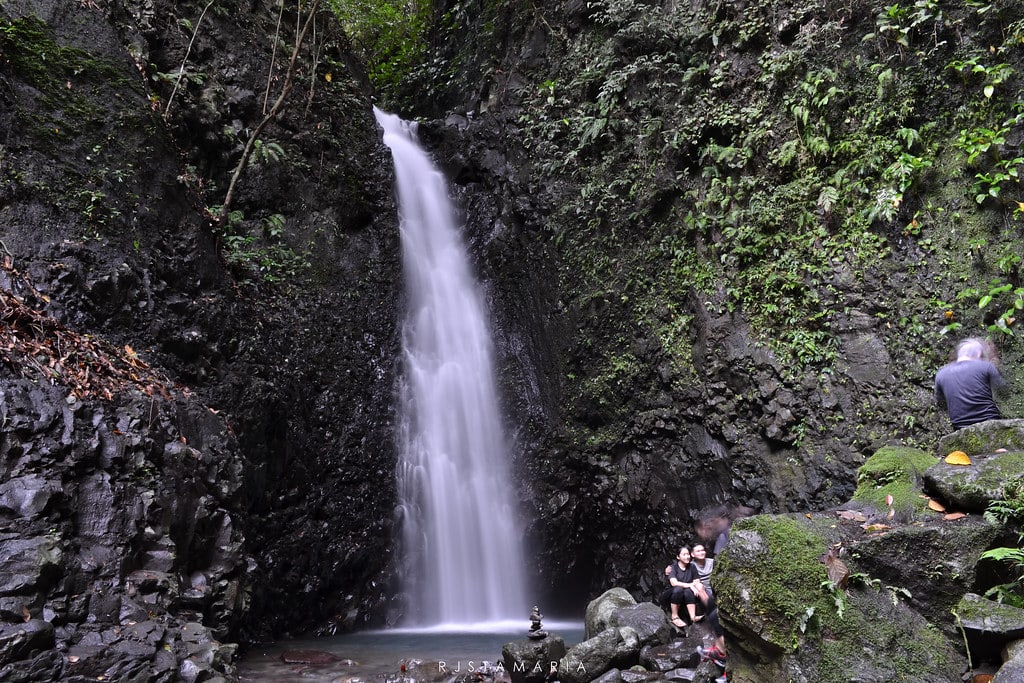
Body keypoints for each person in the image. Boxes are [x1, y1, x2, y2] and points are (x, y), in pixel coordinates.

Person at [934, 338, 1007, 429]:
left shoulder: (942, 373)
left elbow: (940, 403)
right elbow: (1003, 390)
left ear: (959, 354)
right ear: (978, 354)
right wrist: (995, 364)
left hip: (960, 425)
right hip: (989, 421)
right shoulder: (986, 366)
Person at [662, 546, 702, 629]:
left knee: (688, 591)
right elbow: (674, 583)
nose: (687, 556)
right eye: (684, 554)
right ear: (678, 557)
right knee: (678, 589)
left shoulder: (692, 567)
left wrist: (691, 586)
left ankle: (693, 617)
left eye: (688, 554)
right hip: (670, 594)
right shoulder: (673, 567)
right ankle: (675, 616)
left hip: (684, 595)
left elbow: (697, 581)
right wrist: (691, 585)